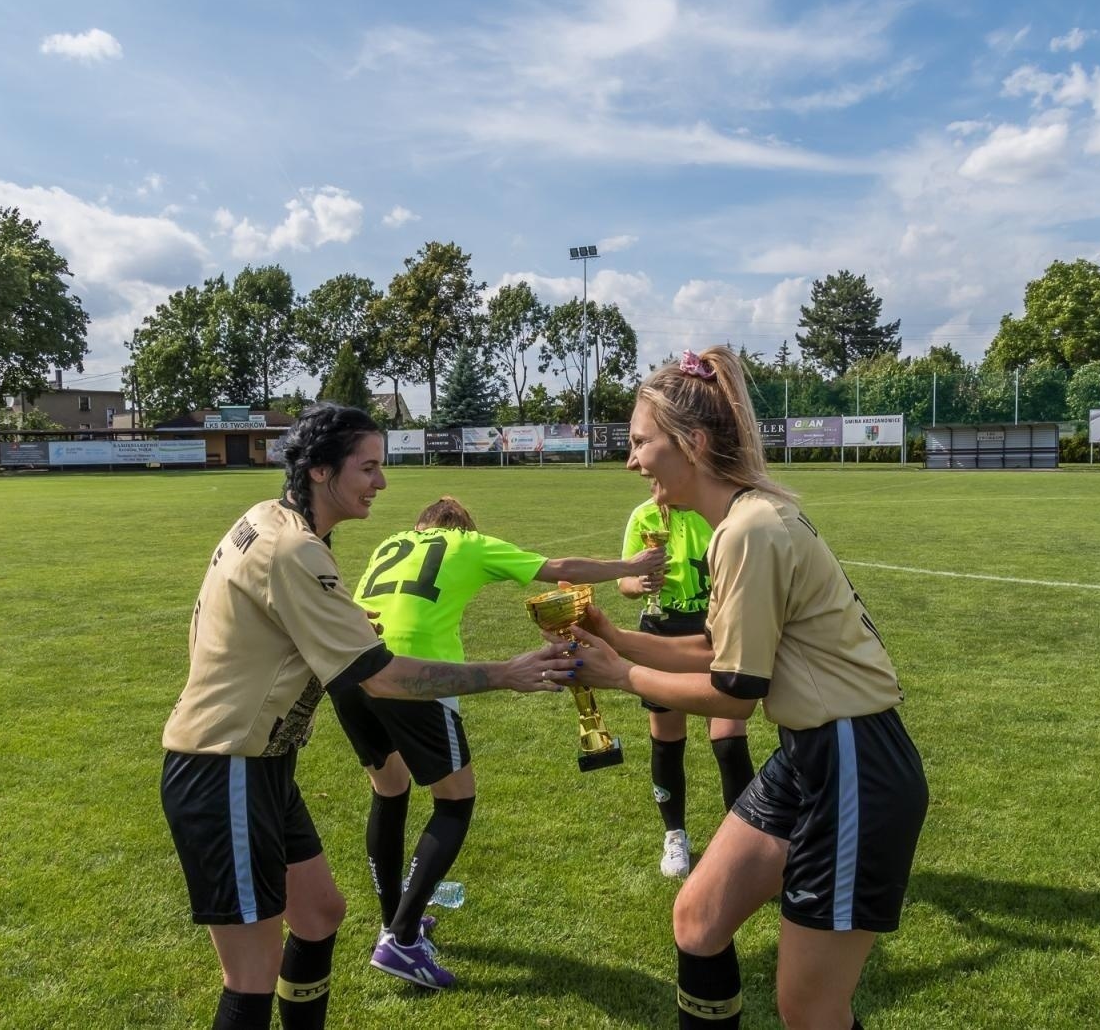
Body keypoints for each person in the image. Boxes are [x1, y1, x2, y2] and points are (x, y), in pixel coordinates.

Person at [159, 404, 578, 1030]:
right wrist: (504, 673)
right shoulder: (294, 548)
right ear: (322, 471)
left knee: (321, 914)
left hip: (261, 767)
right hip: (224, 770)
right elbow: (380, 675)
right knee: (249, 980)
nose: (381, 483)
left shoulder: (268, 521)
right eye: (369, 467)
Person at [558, 348, 929, 1030]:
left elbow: (734, 691)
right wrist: (615, 637)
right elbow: (716, 650)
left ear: (692, 445)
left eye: (642, 442)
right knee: (698, 918)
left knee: (811, 1010)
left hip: (853, 763)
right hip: (814, 755)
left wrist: (620, 674)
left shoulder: (749, 530)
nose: (632, 461)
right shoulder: (742, 522)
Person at [333, 494, 668, 988]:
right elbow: (559, 567)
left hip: (352, 670)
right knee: (454, 801)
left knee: (389, 790)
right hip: (415, 672)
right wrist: (630, 564)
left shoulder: (393, 541)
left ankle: (394, 921)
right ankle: (402, 940)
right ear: (464, 525)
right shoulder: (466, 542)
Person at [617, 498, 755, 879]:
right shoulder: (642, 514)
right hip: (661, 630)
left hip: (716, 630)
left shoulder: (714, 509)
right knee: (666, 738)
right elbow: (624, 582)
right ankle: (674, 834)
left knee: (729, 740)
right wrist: (639, 582)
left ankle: (745, 841)